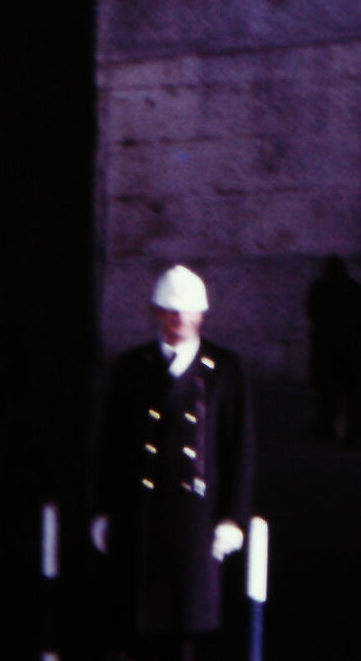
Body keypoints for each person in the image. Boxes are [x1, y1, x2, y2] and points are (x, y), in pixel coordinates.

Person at [93, 266, 255, 661]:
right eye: (169, 310)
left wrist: (234, 517)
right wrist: (102, 509)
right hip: (143, 517)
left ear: (202, 314)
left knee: (195, 625)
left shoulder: (225, 370)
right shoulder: (132, 367)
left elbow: (240, 450)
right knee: (143, 628)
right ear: (155, 312)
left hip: (197, 520)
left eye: (186, 311)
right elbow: (111, 445)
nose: (178, 318)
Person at [304, 255, 361, 443]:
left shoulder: (321, 289)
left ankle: (329, 425)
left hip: (330, 346)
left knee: (330, 390)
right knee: (340, 389)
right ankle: (337, 425)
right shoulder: (353, 290)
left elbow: (312, 312)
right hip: (343, 347)